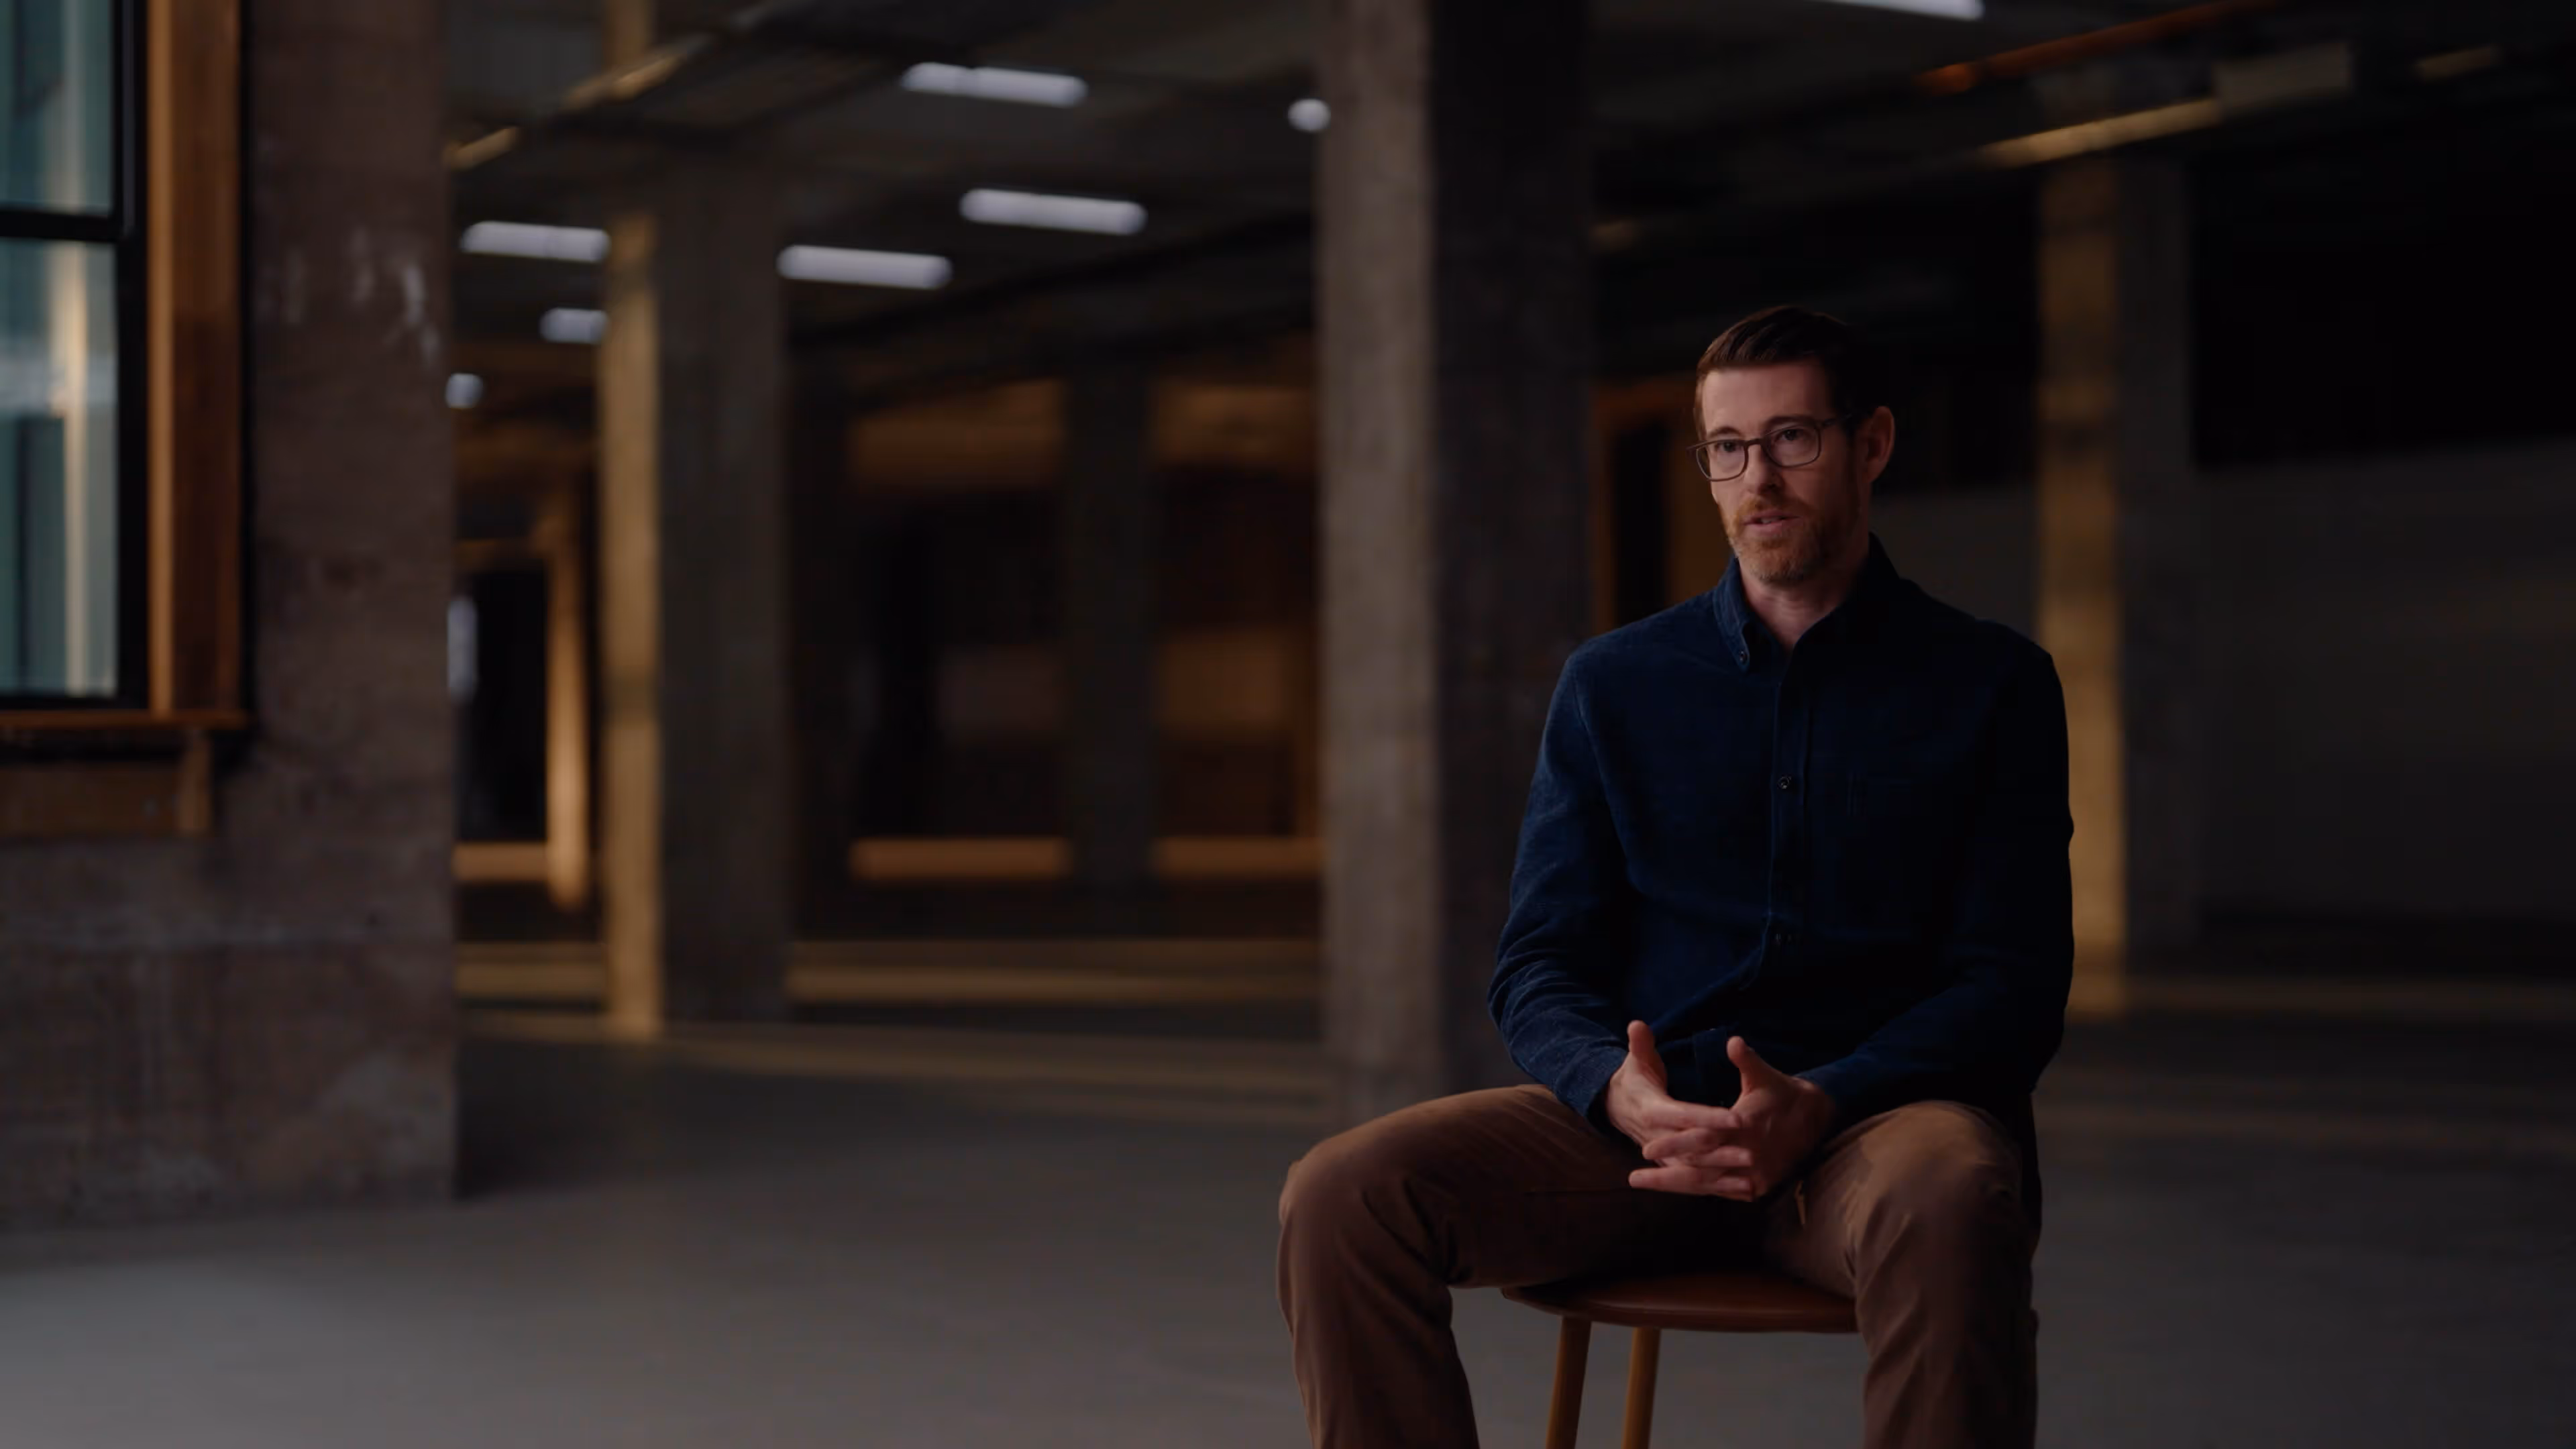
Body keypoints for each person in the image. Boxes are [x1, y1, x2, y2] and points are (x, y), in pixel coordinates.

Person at [1277, 305, 2072, 1449]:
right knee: (1343, 1196)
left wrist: (1826, 1099)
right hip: (1643, 1146)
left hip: (1871, 1139)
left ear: (1873, 445)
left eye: (1794, 439)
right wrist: (1615, 1092)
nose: (1761, 478)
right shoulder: (1615, 685)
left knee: (1953, 1192)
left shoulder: (1993, 684)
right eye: (1729, 449)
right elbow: (1538, 963)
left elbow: (2013, 983)